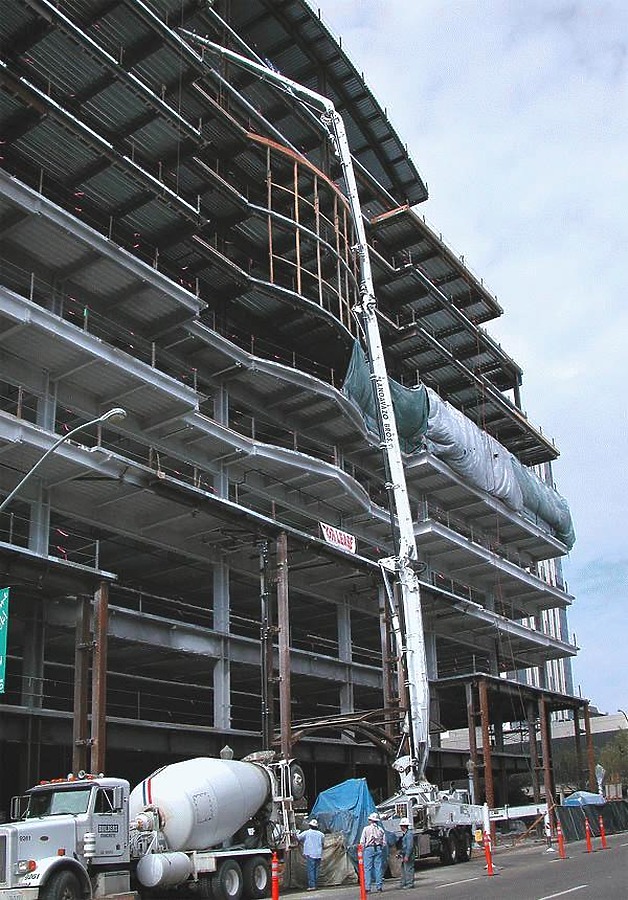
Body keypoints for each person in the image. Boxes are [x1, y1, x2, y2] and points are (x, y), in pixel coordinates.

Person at [360, 810, 387, 893]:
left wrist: (362, 849)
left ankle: (368, 887)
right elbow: (384, 843)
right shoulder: (381, 830)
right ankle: (379, 886)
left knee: (367, 869)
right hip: (378, 848)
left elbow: (362, 842)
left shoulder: (366, 829)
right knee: (378, 868)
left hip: (369, 849)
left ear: (370, 820)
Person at [297, 818, 325, 891]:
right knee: (316, 870)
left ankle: (312, 885)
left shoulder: (306, 833)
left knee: (311, 870)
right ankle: (315, 884)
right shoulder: (321, 834)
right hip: (318, 854)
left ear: (310, 826)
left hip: (310, 853)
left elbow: (298, 838)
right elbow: (322, 844)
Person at [398, 817, 415, 889]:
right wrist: (400, 854)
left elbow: (409, 846)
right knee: (404, 869)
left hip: (409, 855)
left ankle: (409, 883)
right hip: (405, 854)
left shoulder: (409, 834)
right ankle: (404, 882)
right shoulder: (406, 834)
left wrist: (407, 856)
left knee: (408, 869)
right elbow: (404, 846)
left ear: (403, 826)